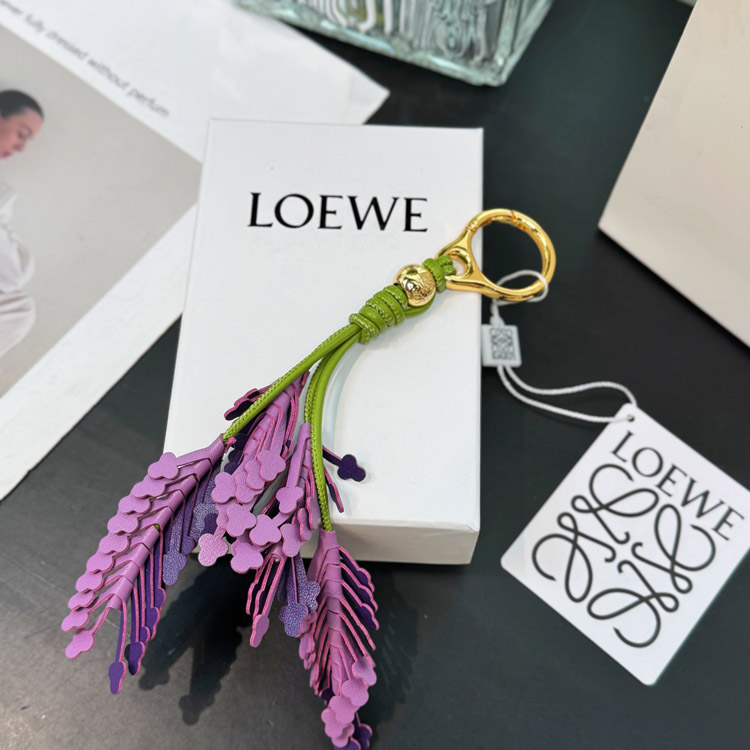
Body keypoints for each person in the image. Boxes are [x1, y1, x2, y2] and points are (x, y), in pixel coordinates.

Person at [0, 90, 43, 360]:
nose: (21, 148)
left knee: (21, 308)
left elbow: (12, 275)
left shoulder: (3, 194)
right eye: (21, 134)